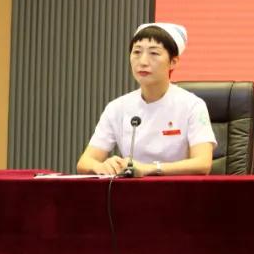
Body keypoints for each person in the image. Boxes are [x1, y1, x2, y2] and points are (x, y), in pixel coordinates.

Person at [76, 23, 216, 176]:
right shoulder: (117, 107)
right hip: (131, 189)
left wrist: (149, 169)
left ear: (173, 62)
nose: (143, 61)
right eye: (137, 52)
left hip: (178, 189)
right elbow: (84, 162)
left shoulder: (192, 105)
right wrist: (101, 166)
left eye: (154, 53)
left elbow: (203, 163)